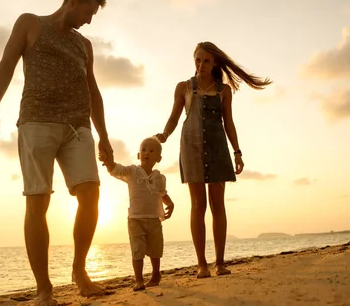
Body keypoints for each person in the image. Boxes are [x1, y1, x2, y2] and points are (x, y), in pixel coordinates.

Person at [0, 0, 114, 304]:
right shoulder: (30, 23)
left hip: (78, 127)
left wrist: (104, 136)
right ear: (73, 1)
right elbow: (6, 65)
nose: (90, 19)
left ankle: (79, 270)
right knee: (37, 201)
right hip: (37, 121)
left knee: (90, 194)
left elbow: (93, 90)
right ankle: (44, 289)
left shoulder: (85, 45)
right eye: (88, 10)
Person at [156, 41, 271, 279]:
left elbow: (228, 122)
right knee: (198, 206)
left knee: (218, 205)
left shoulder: (224, 90)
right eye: (198, 59)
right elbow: (174, 118)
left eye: (206, 60)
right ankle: (202, 265)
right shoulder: (183, 87)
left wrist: (237, 152)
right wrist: (163, 136)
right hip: (191, 147)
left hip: (219, 148)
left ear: (215, 63)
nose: (201, 64)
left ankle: (220, 262)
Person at [99, 137, 174, 291]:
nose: (147, 153)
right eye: (144, 150)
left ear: (158, 158)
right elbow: (116, 169)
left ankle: (155, 275)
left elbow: (162, 193)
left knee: (155, 249)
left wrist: (170, 204)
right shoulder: (132, 171)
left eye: (151, 151)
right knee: (137, 250)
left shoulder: (159, 178)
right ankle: (139, 280)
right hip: (135, 220)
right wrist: (108, 162)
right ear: (139, 155)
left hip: (154, 219)